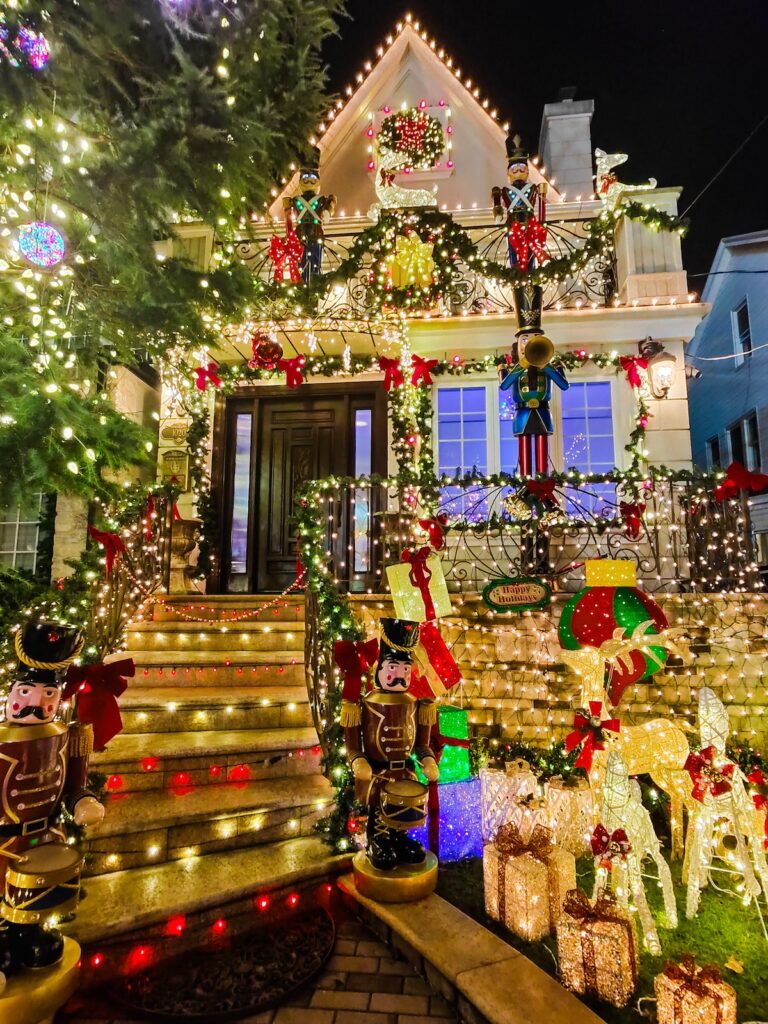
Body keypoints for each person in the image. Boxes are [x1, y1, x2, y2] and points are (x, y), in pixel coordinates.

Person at [0, 622, 103, 975]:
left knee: (34, 897)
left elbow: (75, 782)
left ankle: (27, 935)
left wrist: (82, 801)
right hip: (4, 839)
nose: (34, 704)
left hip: (44, 833)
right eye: (26, 692)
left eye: (48, 696)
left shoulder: (68, 736)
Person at [342, 618, 439, 870]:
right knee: (379, 810)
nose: (400, 676)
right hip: (377, 773)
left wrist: (427, 759)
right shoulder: (363, 703)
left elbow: (421, 743)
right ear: (378, 668)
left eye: (405, 670)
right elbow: (352, 745)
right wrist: (358, 760)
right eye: (393, 668)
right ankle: (378, 840)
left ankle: (400, 839)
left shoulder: (416, 703)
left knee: (403, 811)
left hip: (404, 771)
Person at [491, 134, 548, 272]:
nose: (518, 170)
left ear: (527, 171)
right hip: (513, 224)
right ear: (508, 172)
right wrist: (498, 213)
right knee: (515, 253)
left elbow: (541, 206)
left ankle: (529, 272)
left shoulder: (533, 188)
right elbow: (498, 204)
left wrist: (542, 222)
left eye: (522, 166)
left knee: (530, 256)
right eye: (514, 167)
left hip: (530, 224)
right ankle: (517, 273)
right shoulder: (503, 190)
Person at [282, 149, 336, 282]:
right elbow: (288, 216)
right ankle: (302, 282)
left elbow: (332, 201)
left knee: (316, 262)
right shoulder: (296, 200)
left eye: (313, 177)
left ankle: (315, 283)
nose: (309, 180)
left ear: (318, 180)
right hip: (300, 233)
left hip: (316, 232)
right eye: (305, 177)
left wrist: (328, 212)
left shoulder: (322, 200)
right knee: (301, 261)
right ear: (300, 180)